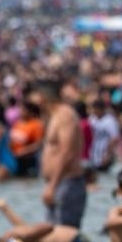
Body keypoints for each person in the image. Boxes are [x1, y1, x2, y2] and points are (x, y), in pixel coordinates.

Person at [35, 80, 87, 229]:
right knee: (54, 237)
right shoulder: (53, 116)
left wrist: (52, 185)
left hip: (66, 183)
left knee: (65, 237)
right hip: (59, 183)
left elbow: (67, 151)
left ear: (42, 97)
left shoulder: (65, 115)